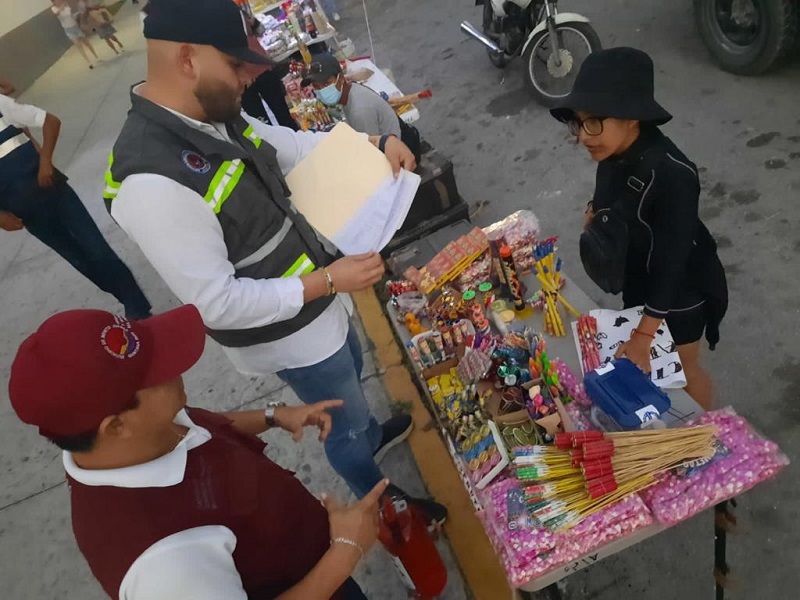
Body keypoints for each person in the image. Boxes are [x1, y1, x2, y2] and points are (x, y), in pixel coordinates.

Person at [104, 0, 445, 525]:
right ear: (188, 59)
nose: (249, 77)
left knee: (352, 374)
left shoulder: (205, 114)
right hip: (290, 333)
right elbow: (216, 304)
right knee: (344, 424)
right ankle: (384, 506)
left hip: (320, 305)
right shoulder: (150, 183)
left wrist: (375, 142)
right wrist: (328, 279)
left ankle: (373, 434)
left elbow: (287, 146)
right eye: (236, 65)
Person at [8, 304, 388, 599]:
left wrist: (274, 416)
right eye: (159, 374)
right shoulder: (164, 564)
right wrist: (345, 553)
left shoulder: (133, 437)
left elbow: (198, 423)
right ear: (116, 426)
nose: (178, 370)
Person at [550, 47, 728, 409]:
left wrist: (644, 334)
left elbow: (674, 262)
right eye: (579, 123)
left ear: (632, 117)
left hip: (679, 293)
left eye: (594, 122)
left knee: (684, 367)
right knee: (657, 371)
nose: (584, 136)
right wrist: (594, 211)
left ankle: (708, 433)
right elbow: (610, 195)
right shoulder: (612, 151)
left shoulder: (673, 173)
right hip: (639, 277)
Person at [0, 86, 152, 320]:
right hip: (26, 214)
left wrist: (45, 161)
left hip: (53, 191)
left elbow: (51, 121)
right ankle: (128, 298)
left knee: (97, 250)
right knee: (81, 262)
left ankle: (137, 307)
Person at [305, 52, 401, 139]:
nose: (322, 90)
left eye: (327, 84)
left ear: (341, 78)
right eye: (316, 86)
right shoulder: (349, 91)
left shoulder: (360, 111)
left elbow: (371, 150)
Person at [51, 0, 100, 69]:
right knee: (78, 45)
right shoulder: (54, 8)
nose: (58, 1)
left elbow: (70, 14)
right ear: (53, 2)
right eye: (56, 1)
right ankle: (88, 62)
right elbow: (56, 14)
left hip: (75, 26)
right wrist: (62, 7)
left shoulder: (66, 5)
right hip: (68, 30)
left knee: (86, 42)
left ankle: (96, 56)